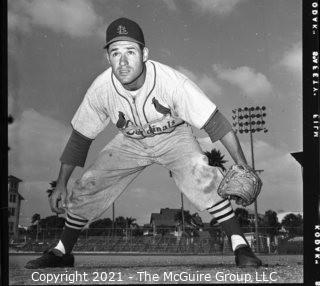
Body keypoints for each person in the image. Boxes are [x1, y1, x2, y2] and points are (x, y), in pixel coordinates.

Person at [25, 17, 262, 269]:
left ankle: (240, 246)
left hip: (174, 138)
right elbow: (80, 138)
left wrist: (243, 164)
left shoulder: (172, 82)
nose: (123, 61)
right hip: (131, 141)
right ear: (108, 58)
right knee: (89, 182)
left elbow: (216, 123)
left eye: (131, 51)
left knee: (200, 173)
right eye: (115, 53)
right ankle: (62, 251)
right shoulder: (101, 89)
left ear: (144, 53)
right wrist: (61, 183)